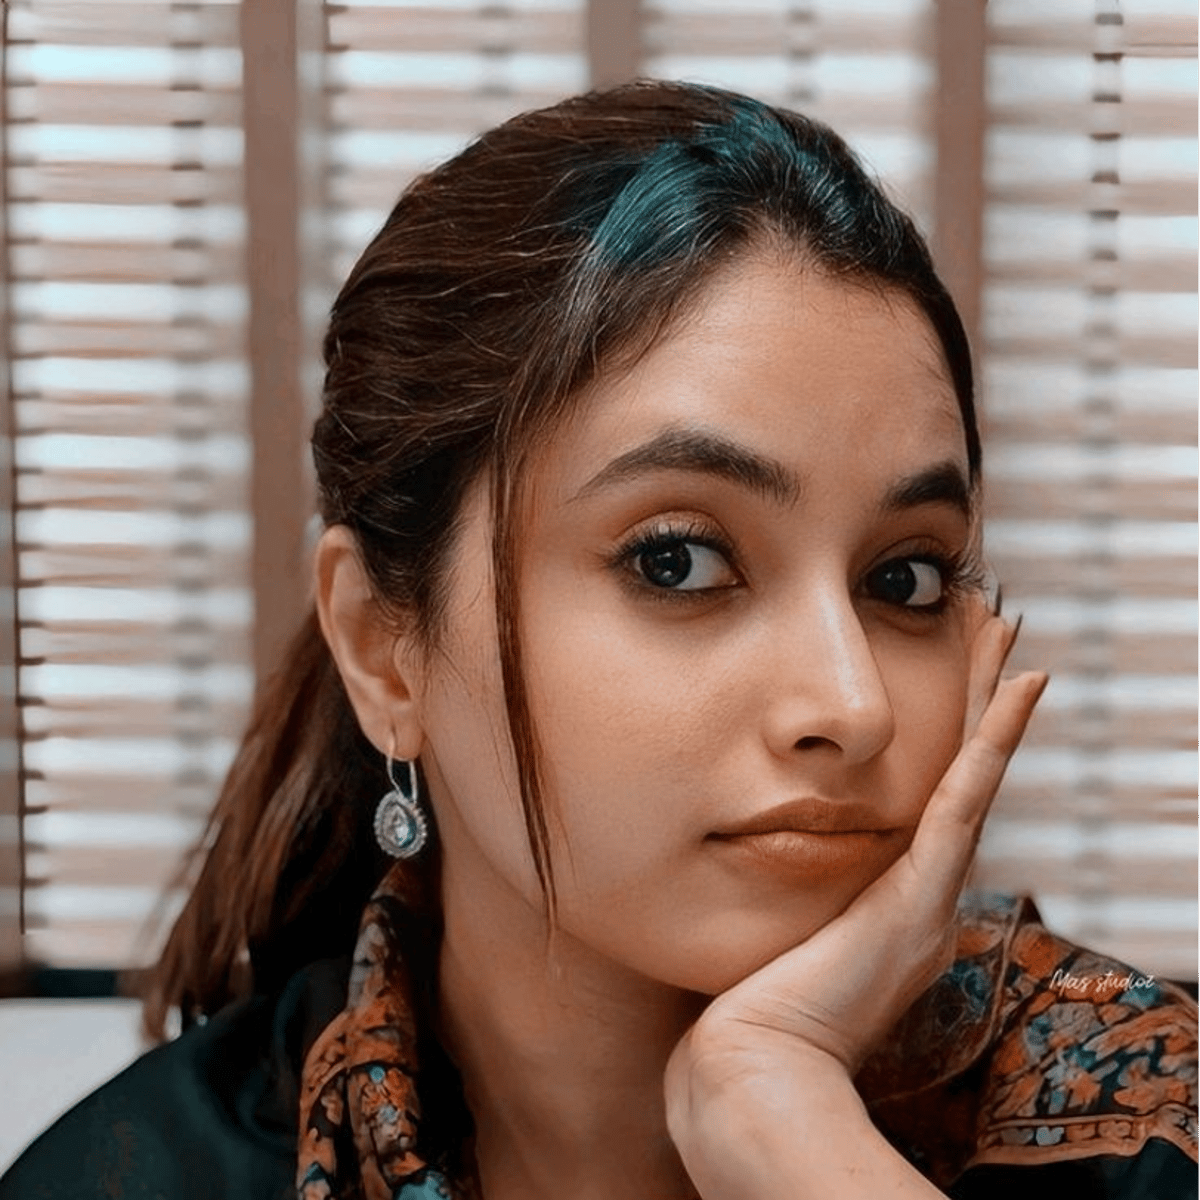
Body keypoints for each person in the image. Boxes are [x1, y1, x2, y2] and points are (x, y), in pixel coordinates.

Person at [1, 80, 1194, 1200]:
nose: (855, 703)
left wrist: (785, 1120)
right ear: (380, 649)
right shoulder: (141, 1176)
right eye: (676, 560)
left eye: (906, 577)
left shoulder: (1144, 1121)